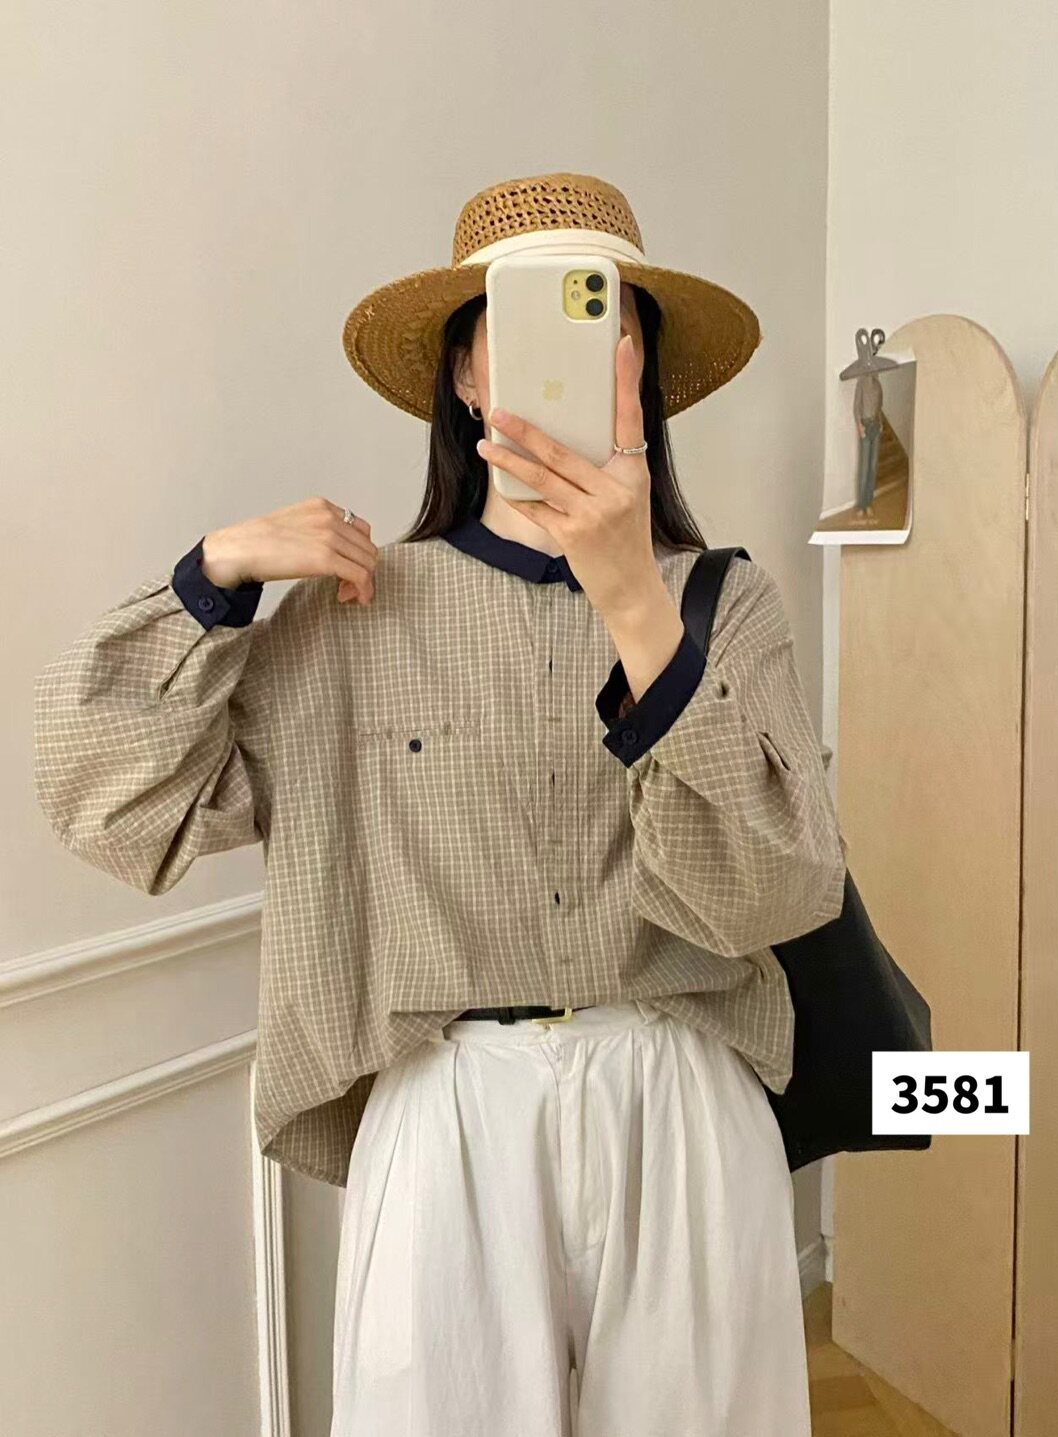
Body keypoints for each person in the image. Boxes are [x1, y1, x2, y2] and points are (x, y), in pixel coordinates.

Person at [33, 171, 846, 1436]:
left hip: (681, 1095)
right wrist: (213, 576)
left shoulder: (723, 604)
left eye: (606, 317)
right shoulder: (355, 617)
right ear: (464, 372)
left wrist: (636, 602)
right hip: (448, 1107)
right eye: (522, 319)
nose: (575, 352)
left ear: (644, 368)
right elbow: (107, 801)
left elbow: (775, 893)